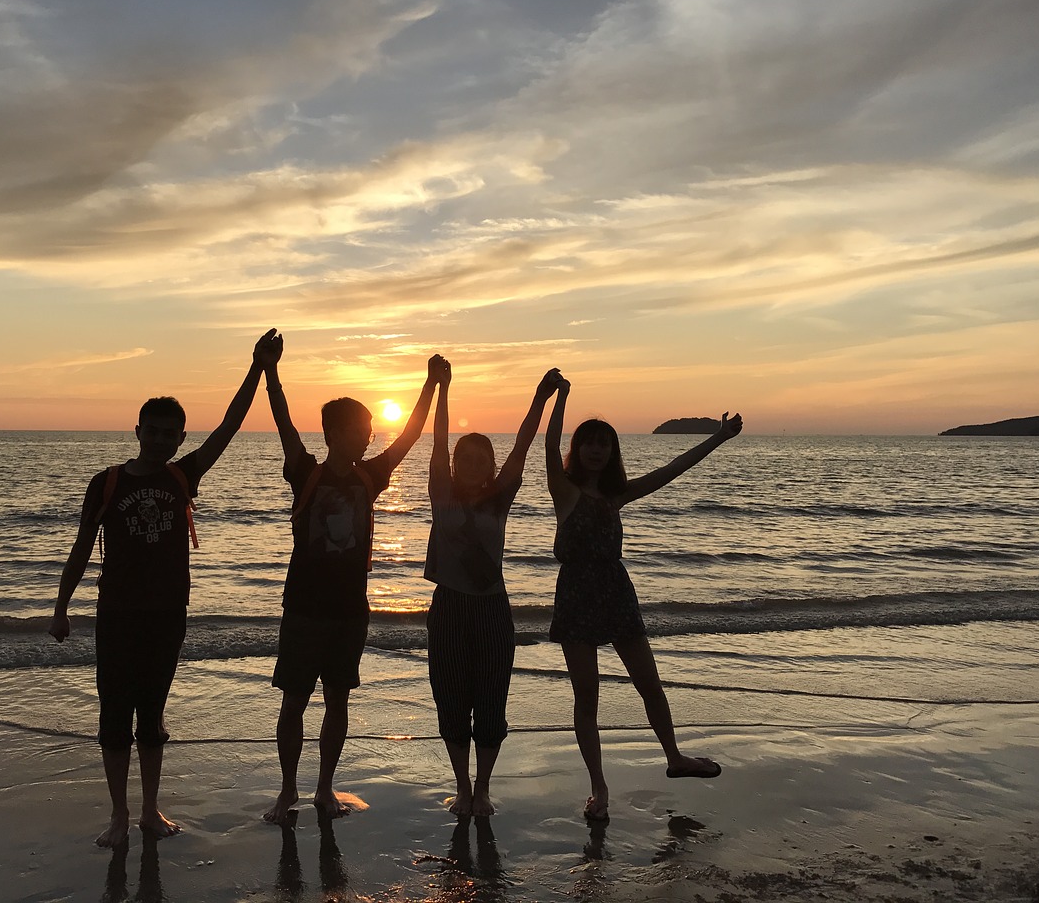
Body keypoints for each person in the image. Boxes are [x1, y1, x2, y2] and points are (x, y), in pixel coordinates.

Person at [49, 328, 278, 848]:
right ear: (137, 431)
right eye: (150, 430)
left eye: (168, 433)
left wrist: (258, 369)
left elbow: (229, 427)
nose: (157, 439)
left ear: (179, 438)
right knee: (114, 717)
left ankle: (150, 811)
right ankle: (118, 817)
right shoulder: (107, 482)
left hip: (168, 617)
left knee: (152, 716)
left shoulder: (184, 477)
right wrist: (61, 606)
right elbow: (82, 546)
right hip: (118, 618)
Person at [258, 333, 446, 821]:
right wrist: (269, 371)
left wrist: (428, 385)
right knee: (295, 701)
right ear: (334, 434)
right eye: (360, 430)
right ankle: (286, 793)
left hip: (349, 610)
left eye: (368, 429)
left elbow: (409, 435)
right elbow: (282, 421)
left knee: (338, 699)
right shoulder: (306, 472)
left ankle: (324, 788)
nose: (368, 436)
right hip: (302, 606)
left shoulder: (371, 476)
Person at [544, 375, 742, 822]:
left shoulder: (617, 496)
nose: (597, 449)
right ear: (578, 450)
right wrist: (560, 397)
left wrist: (718, 437)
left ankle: (674, 757)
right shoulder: (565, 490)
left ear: (613, 452)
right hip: (576, 596)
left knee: (649, 683)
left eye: (605, 443)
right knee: (586, 697)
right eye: (589, 442)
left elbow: (672, 470)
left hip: (616, 593)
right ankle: (598, 787)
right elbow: (548, 443)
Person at [425, 361, 562, 816]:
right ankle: (462, 787)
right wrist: (443, 388)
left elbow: (522, 444)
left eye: (481, 460)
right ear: (453, 464)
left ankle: (482, 788)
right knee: (450, 699)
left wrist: (539, 400)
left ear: (489, 468)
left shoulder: (499, 496)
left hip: (491, 610)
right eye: (464, 458)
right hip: (448, 608)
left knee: (490, 702)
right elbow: (440, 436)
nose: (471, 464)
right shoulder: (441, 491)